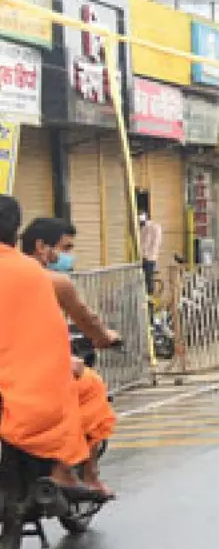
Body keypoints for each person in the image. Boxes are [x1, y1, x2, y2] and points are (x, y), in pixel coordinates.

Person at [0, 196, 98, 502]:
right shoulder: (37, 276)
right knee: (78, 388)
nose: (66, 255)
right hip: (22, 383)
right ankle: (66, 470)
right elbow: (49, 338)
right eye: (64, 248)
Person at [20, 217, 121, 495]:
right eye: (65, 248)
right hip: (32, 372)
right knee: (91, 387)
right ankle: (82, 473)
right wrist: (105, 337)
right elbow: (87, 319)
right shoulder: (52, 281)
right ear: (42, 247)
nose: (68, 256)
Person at [139, 210, 162, 296]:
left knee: (148, 278)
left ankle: (149, 295)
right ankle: (148, 294)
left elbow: (152, 244)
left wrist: (147, 255)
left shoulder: (153, 227)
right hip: (146, 257)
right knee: (146, 278)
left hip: (149, 257)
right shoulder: (145, 228)